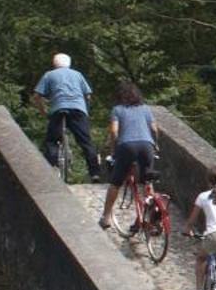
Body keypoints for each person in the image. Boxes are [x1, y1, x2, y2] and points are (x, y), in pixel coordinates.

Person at [97, 81, 160, 230]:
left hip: (127, 146)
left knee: (116, 182)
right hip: (146, 146)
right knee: (147, 180)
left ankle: (106, 217)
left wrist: (114, 149)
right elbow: (155, 129)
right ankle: (151, 215)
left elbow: (114, 131)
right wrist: (156, 144)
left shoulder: (117, 110)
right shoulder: (145, 109)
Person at [30, 52, 99, 179]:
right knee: (86, 142)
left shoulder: (49, 75)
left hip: (58, 109)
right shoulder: (78, 74)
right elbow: (88, 95)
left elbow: (36, 96)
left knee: (51, 141)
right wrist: (85, 110)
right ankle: (95, 173)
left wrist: (43, 111)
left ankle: (54, 167)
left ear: (54, 64)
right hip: (78, 109)